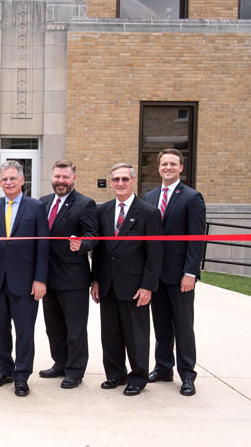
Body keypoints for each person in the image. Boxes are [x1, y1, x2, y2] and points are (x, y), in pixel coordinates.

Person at [0, 160, 49, 397]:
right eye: (4, 179)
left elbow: (43, 246)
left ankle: (22, 375)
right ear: (0, 182)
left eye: (12, 178)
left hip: (26, 281)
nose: (8, 182)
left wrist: (40, 279)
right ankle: (5, 369)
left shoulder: (36, 207)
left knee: (25, 331)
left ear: (22, 180)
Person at [91, 163, 163, 396]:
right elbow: (99, 250)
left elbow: (155, 253)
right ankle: (115, 374)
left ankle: (138, 377)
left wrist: (148, 286)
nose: (120, 183)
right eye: (116, 179)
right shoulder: (103, 210)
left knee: (136, 335)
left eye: (124, 179)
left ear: (133, 181)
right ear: (111, 182)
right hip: (108, 284)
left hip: (135, 286)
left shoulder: (149, 212)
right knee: (110, 333)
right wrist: (96, 280)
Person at [143, 149, 206, 396]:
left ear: (181, 168)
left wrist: (190, 272)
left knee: (183, 326)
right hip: (155, 276)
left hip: (180, 276)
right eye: (164, 163)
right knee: (161, 326)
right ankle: (163, 368)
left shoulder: (192, 197)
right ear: (158, 167)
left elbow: (196, 239)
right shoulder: (149, 196)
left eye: (173, 164)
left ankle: (188, 375)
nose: (168, 167)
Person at [38, 160, 98, 389]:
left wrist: (82, 244)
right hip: (47, 278)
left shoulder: (85, 204)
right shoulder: (42, 202)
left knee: (75, 328)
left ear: (73, 178)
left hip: (73, 279)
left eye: (65, 177)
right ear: (52, 177)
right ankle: (60, 363)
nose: (60, 181)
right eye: (57, 177)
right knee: (53, 326)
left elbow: (93, 235)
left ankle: (75, 370)